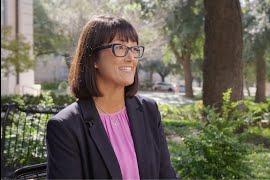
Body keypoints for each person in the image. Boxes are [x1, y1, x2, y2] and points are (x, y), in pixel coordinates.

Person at [46, 15, 177, 179]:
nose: (131, 58)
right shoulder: (65, 127)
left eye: (134, 49)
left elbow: (166, 175)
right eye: (120, 48)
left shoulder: (149, 110)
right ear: (94, 58)